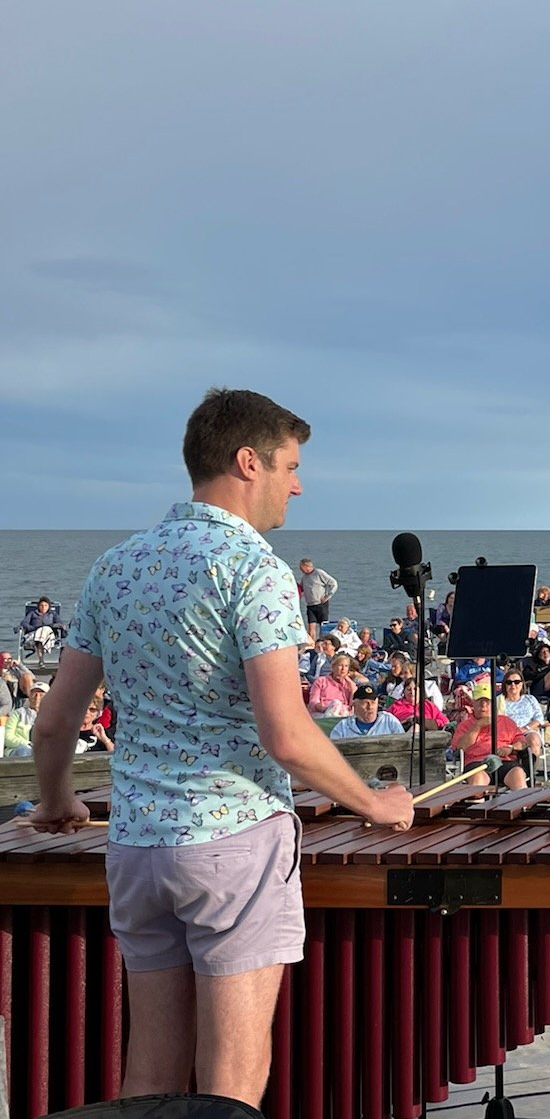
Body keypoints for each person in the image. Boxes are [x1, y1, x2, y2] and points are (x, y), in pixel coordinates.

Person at [26, 387, 413, 1107]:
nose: (298, 484)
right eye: (290, 465)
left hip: (137, 852)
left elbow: (52, 726)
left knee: (148, 1084)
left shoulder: (116, 567)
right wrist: (374, 802)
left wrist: (57, 801)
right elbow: (286, 734)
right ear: (247, 462)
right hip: (232, 846)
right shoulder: (254, 568)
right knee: (230, 1091)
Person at [450, 695, 529, 788]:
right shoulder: (465, 725)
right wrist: (477, 726)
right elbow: (460, 748)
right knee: (477, 779)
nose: (483, 705)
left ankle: (522, 800)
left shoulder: (506, 721)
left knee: (517, 774)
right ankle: (477, 800)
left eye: (488, 701)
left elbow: (523, 743)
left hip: (504, 760)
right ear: (473, 704)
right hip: (477, 762)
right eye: (479, 701)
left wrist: (511, 748)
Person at [328, 685, 406, 739]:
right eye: (365, 703)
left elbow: (403, 746)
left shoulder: (389, 721)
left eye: (373, 703)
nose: (370, 707)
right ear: (355, 704)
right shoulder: (343, 727)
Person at [384, 677, 449, 730]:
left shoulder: (429, 705)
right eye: (409, 689)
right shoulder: (396, 706)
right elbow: (384, 722)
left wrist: (426, 722)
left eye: (415, 689)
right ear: (404, 691)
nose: (412, 692)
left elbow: (445, 721)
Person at [296, 558, 338, 627]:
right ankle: (314, 638)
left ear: (306, 566)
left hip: (320, 604)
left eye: (301, 567)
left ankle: (323, 637)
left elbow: (333, 583)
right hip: (310, 605)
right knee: (311, 626)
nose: (300, 569)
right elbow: (301, 589)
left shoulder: (318, 573)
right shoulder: (304, 577)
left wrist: (327, 596)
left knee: (323, 625)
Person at [20, 596, 62, 661]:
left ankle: (41, 660)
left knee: (44, 630)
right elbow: (24, 623)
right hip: (34, 633)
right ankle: (41, 660)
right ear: (38, 606)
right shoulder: (33, 614)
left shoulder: (52, 614)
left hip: (48, 634)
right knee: (39, 638)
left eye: (46, 605)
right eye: (41, 605)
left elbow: (60, 624)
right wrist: (33, 628)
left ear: (49, 607)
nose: (43, 607)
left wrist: (51, 626)